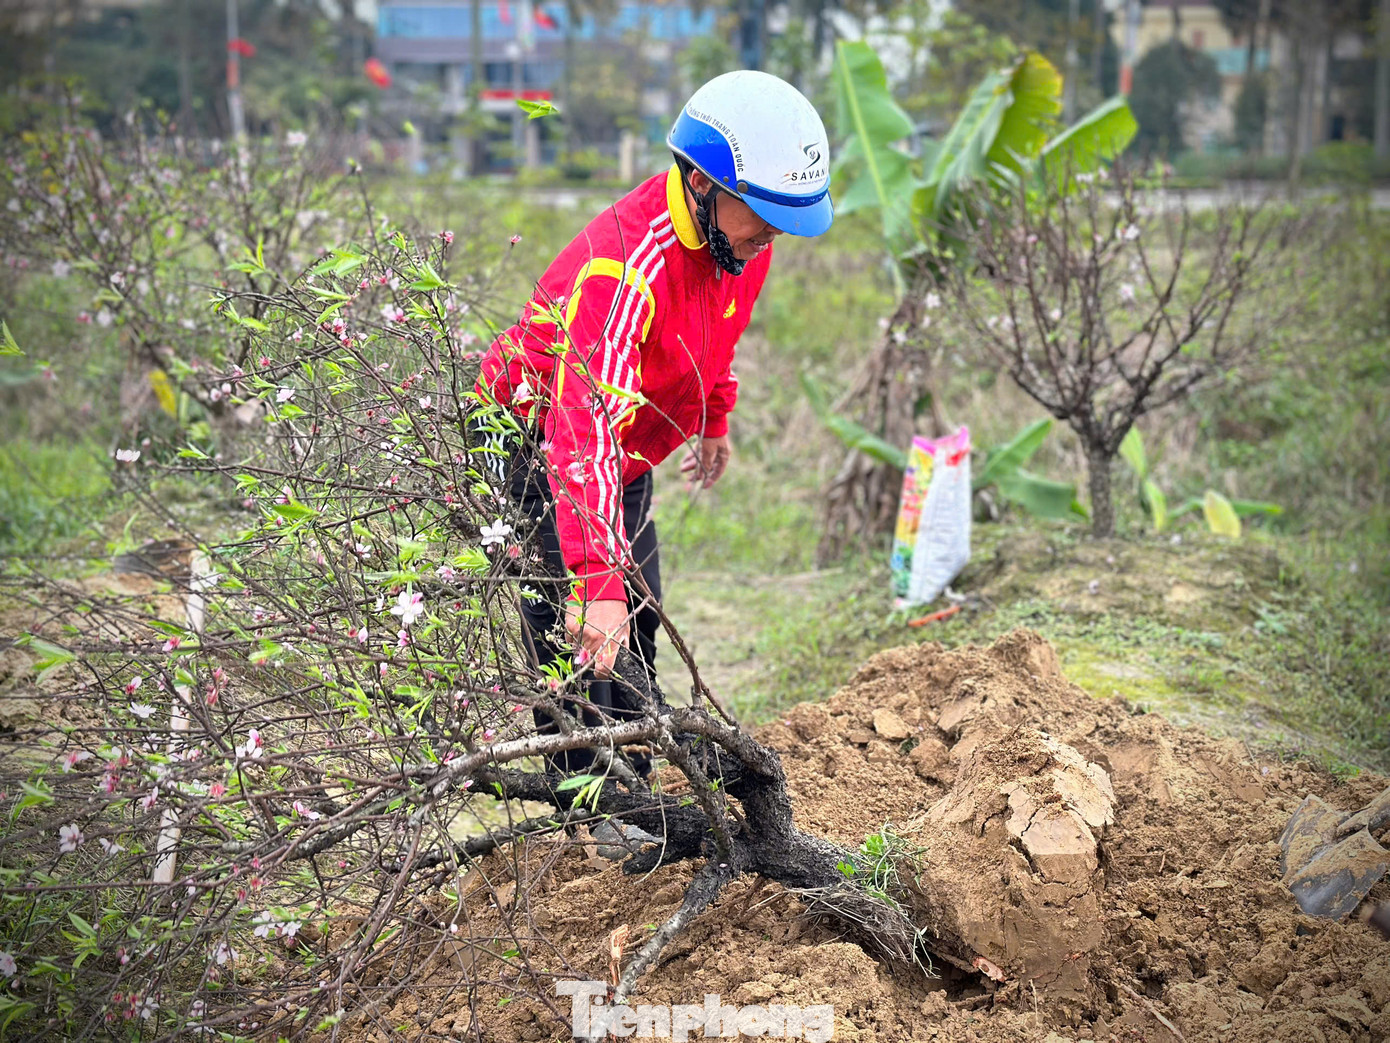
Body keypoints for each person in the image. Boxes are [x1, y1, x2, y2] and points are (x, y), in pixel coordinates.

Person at [474, 69, 834, 775]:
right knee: (580, 631)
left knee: (639, 617)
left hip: (622, 446)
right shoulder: (623, 267)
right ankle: (593, 804)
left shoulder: (740, 246)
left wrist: (712, 417)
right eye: (762, 212)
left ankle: (639, 773)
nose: (773, 233)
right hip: (535, 440)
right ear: (700, 184)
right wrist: (594, 579)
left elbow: (714, 334)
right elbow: (582, 429)